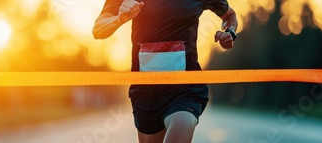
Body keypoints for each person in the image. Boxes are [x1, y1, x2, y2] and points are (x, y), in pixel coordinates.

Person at [92, 0, 238, 142]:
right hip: (146, 93)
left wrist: (230, 32)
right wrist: (119, 19)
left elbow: (230, 16)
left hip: (185, 89)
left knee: (182, 124)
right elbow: (98, 29)